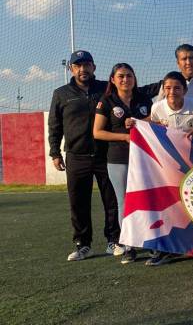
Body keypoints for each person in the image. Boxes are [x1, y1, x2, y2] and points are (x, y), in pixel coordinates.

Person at [49, 50, 120, 261]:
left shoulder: (107, 89)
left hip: (105, 154)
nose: (83, 69)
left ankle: (114, 240)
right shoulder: (61, 93)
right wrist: (55, 152)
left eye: (87, 65)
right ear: (71, 68)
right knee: (78, 202)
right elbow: (55, 125)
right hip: (76, 156)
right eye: (78, 65)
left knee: (112, 199)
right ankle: (82, 244)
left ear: (94, 67)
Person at [92, 63, 153, 264]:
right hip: (118, 159)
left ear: (134, 78)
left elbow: (155, 122)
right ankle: (128, 246)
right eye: (121, 76)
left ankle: (149, 242)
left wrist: (140, 122)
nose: (125, 79)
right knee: (124, 202)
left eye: (129, 75)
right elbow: (97, 132)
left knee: (147, 199)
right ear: (112, 79)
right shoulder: (107, 101)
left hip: (145, 157)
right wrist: (124, 137)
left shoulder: (144, 99)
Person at [147, 71, 193, 266]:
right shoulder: (157, 107)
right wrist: (135, 123)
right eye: (168, 88)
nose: (172, 91)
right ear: (163, 90)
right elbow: (150, 125)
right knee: (167, 206)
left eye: (177, 87)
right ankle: (165, 248)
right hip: (166, 167)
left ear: (185, 90)